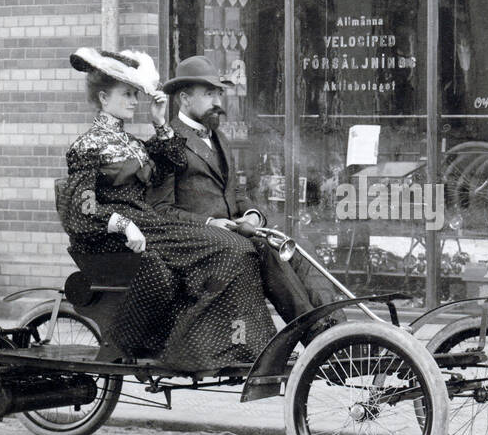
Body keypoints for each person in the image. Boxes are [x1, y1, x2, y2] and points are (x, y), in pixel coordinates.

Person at [59, 47, 277, 371]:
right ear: (104, 98)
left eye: (136, 93)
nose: (135, 100)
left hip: (148, 224)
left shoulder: (132, 143)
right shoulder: (87, 146)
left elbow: (168, 168)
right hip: (114, 235)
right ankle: (191, 349)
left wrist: (160, 123)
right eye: (127, 94)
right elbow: (80, 209)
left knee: (238, 248)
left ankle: (234, 347)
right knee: (231, 246)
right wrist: (123, 224)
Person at [148, 56, 346, 329]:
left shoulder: (220, 138)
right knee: (267, 250)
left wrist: (253, 217)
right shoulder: (165, 143)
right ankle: (314, 334)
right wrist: (209, 222)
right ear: (184, 98)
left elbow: (236, 193)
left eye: (218, 93)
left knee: (295, 245)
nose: (218, 102)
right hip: (197, 245)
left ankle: (339, 330)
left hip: (235, 236)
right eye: (208, 94)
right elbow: (160, 210)